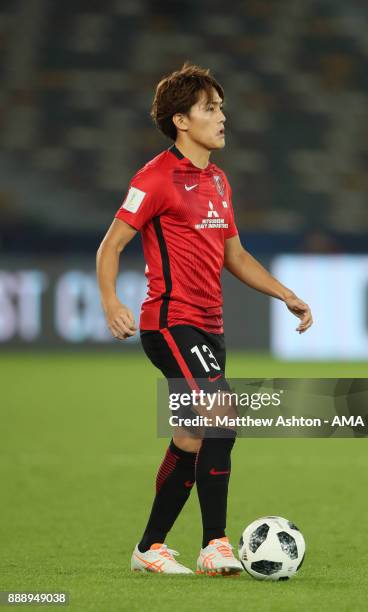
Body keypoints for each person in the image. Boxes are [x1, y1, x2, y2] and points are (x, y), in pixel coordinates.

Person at [96, 62, 313, 576]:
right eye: (209, 108)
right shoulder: (154, 179)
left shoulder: (217, 179)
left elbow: (234, 257)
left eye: (221, 108)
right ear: (181, 121)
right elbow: (111, 245)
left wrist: (285, 294)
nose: (222, 117)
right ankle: (215, 544)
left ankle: (150, 547)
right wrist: (110, 301)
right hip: (170, 323)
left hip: (209, 329)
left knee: (192, 436)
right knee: (223, 417)